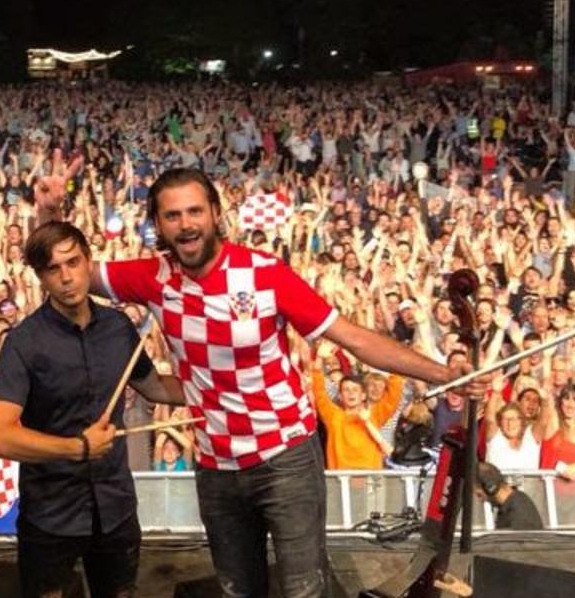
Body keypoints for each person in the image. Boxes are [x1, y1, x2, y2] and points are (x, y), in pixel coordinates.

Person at [41, 167, 486, 597]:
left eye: (195, 211)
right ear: (158, 224)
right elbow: (67, 271)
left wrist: (444, 374)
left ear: (215, 213)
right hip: (216, 467)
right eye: (172, 215)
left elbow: (353, 338)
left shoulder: (264, 273)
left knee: (304, 589)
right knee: (238, 589)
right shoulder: (151, 277)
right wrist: (48, 211)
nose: (186, 224)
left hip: (284, 457)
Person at [0, 221, 184, 598]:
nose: (66, 277)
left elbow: (155, 387)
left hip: (115, 506)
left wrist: (218, 388)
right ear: (40, 277)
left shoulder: (118, 326)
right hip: (51, 515)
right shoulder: (24, 342)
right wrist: (77, 447)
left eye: (73, 263)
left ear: (89, 261)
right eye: (53, 269)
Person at [475, 461, 544, 529]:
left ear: (490, 488)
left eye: (479, 495)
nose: (481, 500)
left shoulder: (518, 514)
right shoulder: (511, 504)